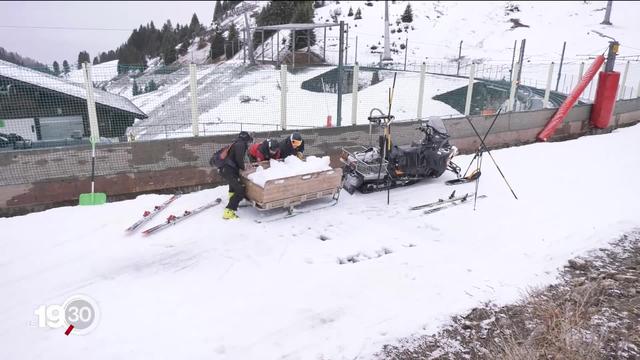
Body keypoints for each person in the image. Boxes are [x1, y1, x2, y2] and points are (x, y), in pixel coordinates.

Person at [218, 131, 253, 220]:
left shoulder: (236, 143)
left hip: (226, 169)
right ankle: (229, 211)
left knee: (234, 185)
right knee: (240, 190)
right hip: (228, 170)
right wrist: (244, 168)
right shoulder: (241, 145)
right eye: (249, 141)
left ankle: (232, 200)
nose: (249, 144)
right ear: (247, 139)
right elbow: (239, 159)